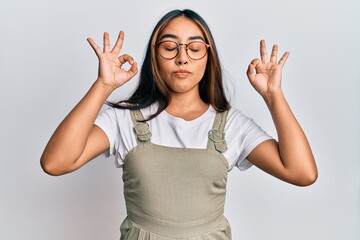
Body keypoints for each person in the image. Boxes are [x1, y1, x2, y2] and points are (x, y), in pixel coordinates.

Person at [40, 9, 318, 240]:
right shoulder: (124, 120)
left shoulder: (232, 125)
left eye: (195, 48)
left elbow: (302, 172)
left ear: (208, 57)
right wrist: (103, 86)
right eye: (170, 47)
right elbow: (55, 163)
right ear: (154, 55)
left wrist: (273, 96)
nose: (182, 57)